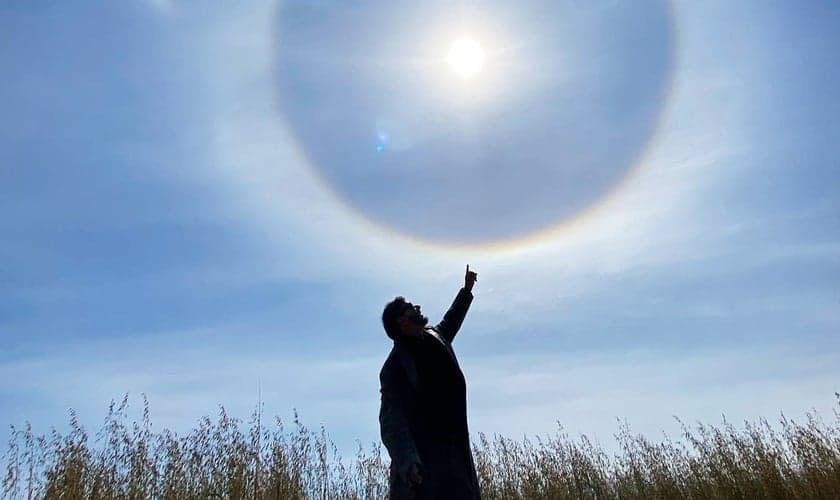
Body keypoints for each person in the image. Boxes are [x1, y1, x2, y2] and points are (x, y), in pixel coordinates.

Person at [379, 265, 482, 499]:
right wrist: (408, 462)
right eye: (410, 308)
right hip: (426, 468)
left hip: (455, 456)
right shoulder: (393, 369)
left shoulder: (435, 338)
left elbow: (451, 320)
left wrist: (466, 290)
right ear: (402, 323)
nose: (418, 308)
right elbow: (391, 421)